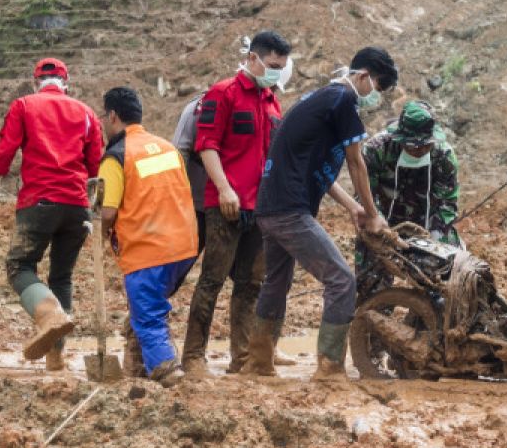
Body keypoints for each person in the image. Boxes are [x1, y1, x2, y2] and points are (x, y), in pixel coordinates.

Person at [245, 47, 399, 379]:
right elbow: (356, 162)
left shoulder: (323, 99)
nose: (375, 96)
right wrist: (373, 214)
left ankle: (258, 362)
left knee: (276, 281)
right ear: (362, 76)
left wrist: (355, 208)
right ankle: (329, 367)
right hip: (289, 209)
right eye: (377, 87)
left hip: (270, 207)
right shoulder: (344, 100)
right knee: (341, 279)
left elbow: (323, 174)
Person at [0, 58, 102, 370]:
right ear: (67, 82)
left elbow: (3, 156)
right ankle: (55, 358)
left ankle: (48, 315)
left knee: (19, 265)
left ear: (34, 81)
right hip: (78, 204)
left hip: (39, 202)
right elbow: (95, 168)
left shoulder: (25, 106)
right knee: (61, 276)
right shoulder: (86, 113)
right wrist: (97, 211)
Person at [182, 30, 291, 378]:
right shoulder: (222, 93)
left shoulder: (272, 102)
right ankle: (194, 356)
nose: (275, 72)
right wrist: (225, 189)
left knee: (251, 284)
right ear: (253, 58)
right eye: (272, 65)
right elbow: (206, 144)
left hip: (259, 209)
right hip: (225, 205)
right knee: (211, 280)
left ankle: (242, 359)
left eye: (281, 67)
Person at [97, 87, 198, 387]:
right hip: (183, 247)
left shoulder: (116, 157)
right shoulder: (167, 148)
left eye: (103, 116)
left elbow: (107, 213)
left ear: (113, 116)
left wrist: (99, 231)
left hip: (147, 251)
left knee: (148, 317)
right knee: (147, 307)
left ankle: (168, 373)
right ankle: (137, 367)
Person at [363, 100, 461, 245]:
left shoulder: (443, 157)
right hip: (382, 218)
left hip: (427, 221)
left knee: (447, 255)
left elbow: (447, 202)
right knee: (372, 255)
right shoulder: (376, 150)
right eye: (413, 146)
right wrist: (377, 222)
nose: (420, 150)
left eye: (426, 145)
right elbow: (365, 193)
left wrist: (435, 235)